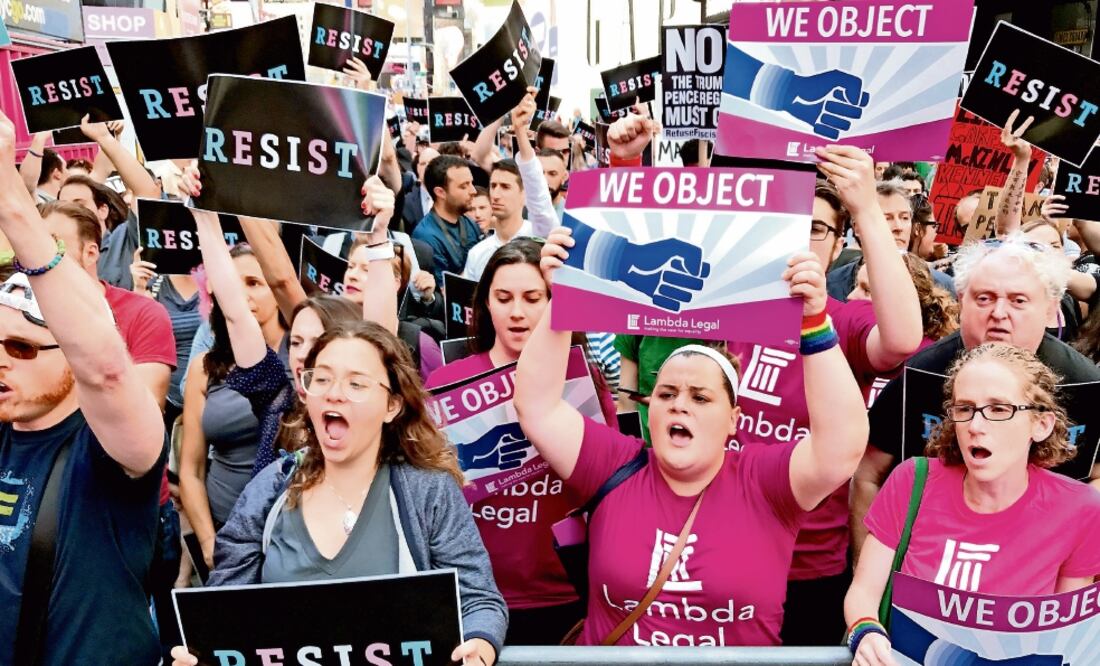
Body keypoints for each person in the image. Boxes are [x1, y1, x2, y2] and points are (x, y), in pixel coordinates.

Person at [512, 224, 871, 647]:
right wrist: (565, 301)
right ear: (651, 407)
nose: (680, 404)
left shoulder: (764, 481)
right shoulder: (616, 465)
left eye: (701, 397)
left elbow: (842, 445)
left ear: (734, 419)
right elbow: (536, 406)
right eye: (666, 393)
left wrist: (813, 322)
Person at [169, 321, 507, 666]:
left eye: (356, 383)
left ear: (392, 405)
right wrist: (200, 655)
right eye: (323, 379)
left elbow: (478, 599)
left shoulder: (427, 490)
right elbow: (221, 614)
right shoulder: (269, 490)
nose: (334, 393)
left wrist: (479, 647)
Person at [0, 109, 165, 664]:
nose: (2, 363)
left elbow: (109, 371)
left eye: (20, 348)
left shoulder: (115, 452)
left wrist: (13, 202)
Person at [844, 344, 1100, 666]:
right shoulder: (912, 481)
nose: (976, 426)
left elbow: (1065, 638)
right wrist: (866, 632)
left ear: (1041, 425)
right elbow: (864, 591)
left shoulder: (1080, 509)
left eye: (998, 409)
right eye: (964, 409)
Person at [852, 236, 1100, 561]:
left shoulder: (1085, 384)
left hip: (1032, 569)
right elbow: (869, 474)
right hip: (929, 563)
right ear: (961, 300)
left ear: (1051, 309)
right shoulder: (924, 373)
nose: (999, 313)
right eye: (984, 298)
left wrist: (1063, 538)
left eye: (1018, 301)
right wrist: (865, 570)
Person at [426, 239, 619, 645]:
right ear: (485, 306)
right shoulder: (446, 384)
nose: (517, 312)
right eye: (503, 297)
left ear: (554, 302)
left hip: (568, 595)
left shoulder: (583, 380)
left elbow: (610, 482)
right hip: (476, 599)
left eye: (533, 298)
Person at [178, 242, 286, 570]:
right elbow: (191, 469)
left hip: (290, 528)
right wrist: (210, 543)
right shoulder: (204, 367)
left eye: (254, 283)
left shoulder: (301, 355)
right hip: (226, 527)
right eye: (231, 285)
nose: (241, 295)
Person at [463, 89, 558, 282]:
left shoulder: (540, 236)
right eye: (493, 186)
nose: (496, 195)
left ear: (525, 194)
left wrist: (520, 131)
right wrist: (500, 108)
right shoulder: (477, 254)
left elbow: (538, 195)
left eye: (506, 187)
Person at [411, 155, 483, 283]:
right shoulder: (426, 236)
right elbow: (444, 292)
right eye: (464, 186)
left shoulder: (471, 224)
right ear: (440, 192)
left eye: (471, 183)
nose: (473, 191)